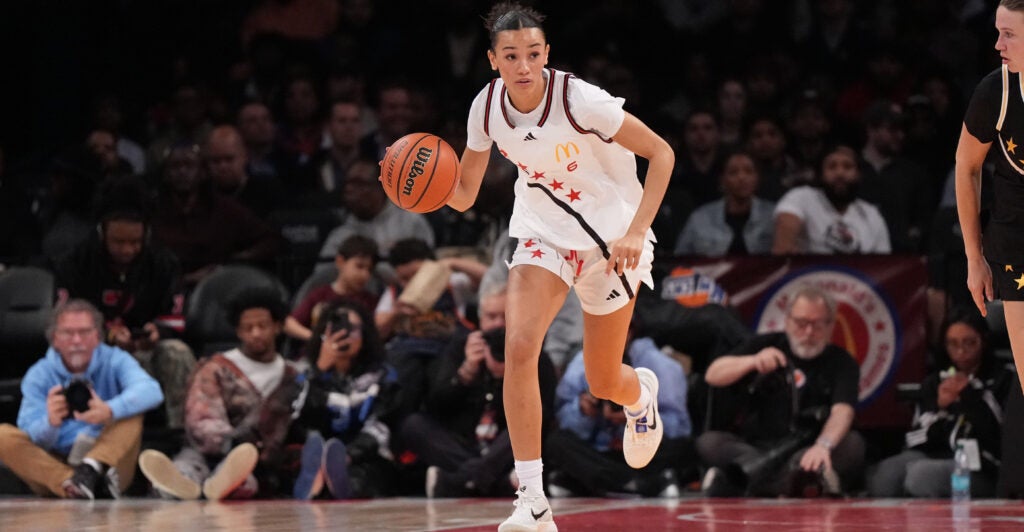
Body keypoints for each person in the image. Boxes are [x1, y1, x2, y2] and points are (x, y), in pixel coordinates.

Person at [443, 3, 674, 529]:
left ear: (546, 54)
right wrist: (421, 191)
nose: (522, 66)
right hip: (542, 234)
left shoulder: (580, 100)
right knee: (519, 347)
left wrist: (637, 231)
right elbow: (462, 195)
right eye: (510, 56)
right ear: (492, 61)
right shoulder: (486, 109)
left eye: (532, 54)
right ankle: (533, 502)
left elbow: (661, 154)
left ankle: (640, 395)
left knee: (602, 380)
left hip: (610, 240)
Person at [54, 176, 195, 431]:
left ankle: (180, 435)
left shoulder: (163, 263)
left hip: (147, 347)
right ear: (102, 232)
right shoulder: (75, 263)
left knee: (177, 352)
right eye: (118, 242)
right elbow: (63, 319)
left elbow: (175, 315)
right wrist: (106, 334)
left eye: (135, 242)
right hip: (93, 351)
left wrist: (156, 331)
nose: (127, 250)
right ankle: (105, 437)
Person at [698, 285, 865, 497]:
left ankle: (745, 482)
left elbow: (843, 412)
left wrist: (823, 445)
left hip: (806, 450)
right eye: (801, 323)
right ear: (787, 321)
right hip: (755, 447)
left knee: (852, 444)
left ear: (831, 326)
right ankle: (792, 485)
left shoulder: (842, 362)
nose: (808, 332)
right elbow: (713, 374)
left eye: (817, 324)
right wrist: (752, 361)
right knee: (709, 443)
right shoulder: (767, 344)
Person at [137, 287, 302, 500]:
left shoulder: (292, 376)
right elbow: (202, 418)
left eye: (262, 326)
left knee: (245, 476)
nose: (256, 334)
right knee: (187, 467)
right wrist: (232, 442)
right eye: (248, 328)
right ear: (238, 331)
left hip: (257, 461)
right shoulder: (217, 368)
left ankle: (226, 484)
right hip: (208, 449)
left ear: (277, 327)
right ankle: (178, 484)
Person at [400, 282, 558, 498]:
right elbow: (437, 404)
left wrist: (509, 377)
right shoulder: (460, 348)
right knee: (414, 425)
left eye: (505, 316)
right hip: (466, 445)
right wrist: (466, 372)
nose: (498, 324)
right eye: (491, 317)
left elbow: (543, 414)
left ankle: (462, 481)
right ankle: (497, 483)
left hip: (508, 450)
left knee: (529, 419)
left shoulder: (535, 354)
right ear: (480, 320)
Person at [0, 299, 164, 499]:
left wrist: (110, 409)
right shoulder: (39, 374)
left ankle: (92, 469)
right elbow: (30, 434)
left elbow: (151, 390)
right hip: (58, 462)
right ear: (55, 339)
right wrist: (50, 423)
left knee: (133, 412)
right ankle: (74, 484)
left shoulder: (115, 359)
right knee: (3, 435)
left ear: (97, 337)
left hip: (109, 463)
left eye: (84, 332)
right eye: (68, 333)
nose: (77, 340)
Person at [868, 309, 1014, 498]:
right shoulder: (935, 381)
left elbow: (1000, 434)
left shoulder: (1004, 377)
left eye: (969, 343)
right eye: (953, 344)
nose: (961, 352)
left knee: (921, 475)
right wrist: (940, 409)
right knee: (885, 476)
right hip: (935, 453)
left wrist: (969, 397)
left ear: (984, 340)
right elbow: (914, 438)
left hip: (982, 464)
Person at [955, 0, 1024, 394]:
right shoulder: (995, 91)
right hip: (1016, 242)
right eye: (998, 32)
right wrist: (973, 258)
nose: (998, 44)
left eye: (1009, 34)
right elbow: (966, 168)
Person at [544, 329, 693, 497]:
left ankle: (593, 483)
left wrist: (638, 417)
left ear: (630, 332)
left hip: (644, 450)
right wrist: (582, 411)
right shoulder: (582, 363)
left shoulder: (659, 365)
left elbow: (680, 427)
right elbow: (562, 420)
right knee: (556, 442)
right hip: (599, 451)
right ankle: (638, 483)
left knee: (684, 448)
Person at [292, 301, 402, 500]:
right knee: (297, 461)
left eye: (353, 329)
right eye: (338, 328)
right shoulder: (306, 373)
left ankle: (335, 484)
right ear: (323, 333)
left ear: (365, 333)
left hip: (365, 457)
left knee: (365, 477)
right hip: (317, 452)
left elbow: (382, 426)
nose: (345, 335)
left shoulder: (383, 375)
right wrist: (319, 372)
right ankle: (317, 480)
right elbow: (300, 421)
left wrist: (348, 455)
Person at [772, 145, 891, 255]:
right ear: (821, 175)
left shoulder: (871, 214)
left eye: (847, 167)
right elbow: (783, 248)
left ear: (857, 175)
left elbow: (884, 265)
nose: (840, 173)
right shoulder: (801, 197)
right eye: (832, 167)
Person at [673, 150, 775, 256]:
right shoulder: (700, 218)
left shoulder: (773, 216)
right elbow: (679, 260)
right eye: (733, 172)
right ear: (722, 179)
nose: (741, 178)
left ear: (757, 178)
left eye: (748, 171)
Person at [285, 235, 381, 343]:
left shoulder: (370, 301)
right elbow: (290, 324)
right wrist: (317, 339)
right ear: (340, 262)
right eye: (359, 266)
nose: (365, 275)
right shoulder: (320, 295)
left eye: (369, 270)